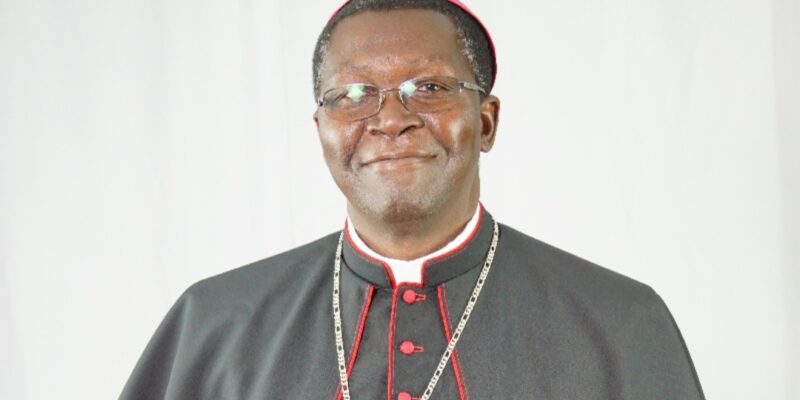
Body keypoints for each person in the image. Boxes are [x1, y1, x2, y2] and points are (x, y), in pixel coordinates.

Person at [121, 1, 705, 399]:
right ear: (321, 129)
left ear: (486, 121)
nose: (390, 119)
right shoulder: (215, 324)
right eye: (353, 93)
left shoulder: (618, 325)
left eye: (428, 87)